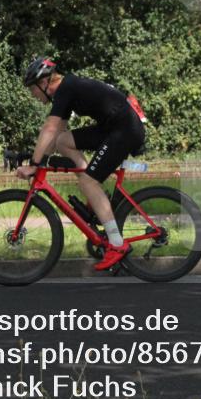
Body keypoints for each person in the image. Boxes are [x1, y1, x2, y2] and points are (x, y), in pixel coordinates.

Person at [16, 56, 145, 270]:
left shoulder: (66, 89)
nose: (34, 95)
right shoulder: (67, 89)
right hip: (114, 126)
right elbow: (55, 133)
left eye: (33, 90)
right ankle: (95, 196)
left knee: (88, 182)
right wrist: (40, 161)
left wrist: (34, 164)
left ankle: (116, 244)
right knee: (63, 141)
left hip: (124, 130)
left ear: (45, 82)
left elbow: (48, 127)